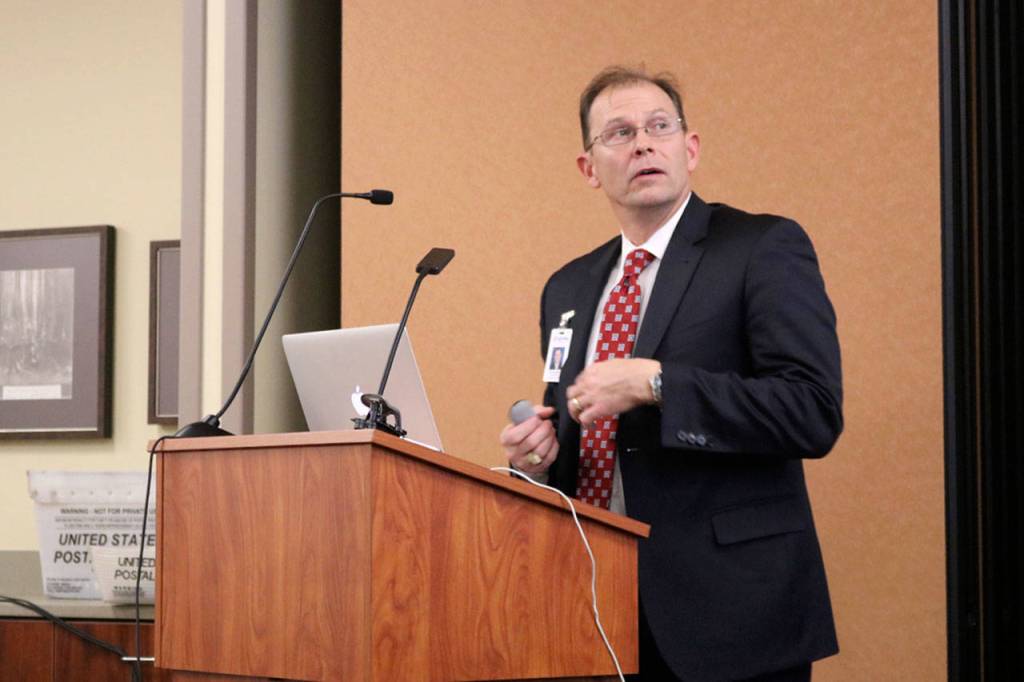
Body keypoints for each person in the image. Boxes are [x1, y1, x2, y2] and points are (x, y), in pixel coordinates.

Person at [499, 66, 842, 682]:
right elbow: (579, 426)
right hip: (592, 603)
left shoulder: (761, 247)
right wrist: (537, 462)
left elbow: (811, 411)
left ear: (691, 148)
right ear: (588, 168)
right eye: (620, 133)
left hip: (729, 608)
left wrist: (657, 384)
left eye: (659, 127)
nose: (642, 144)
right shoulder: (568, 287)